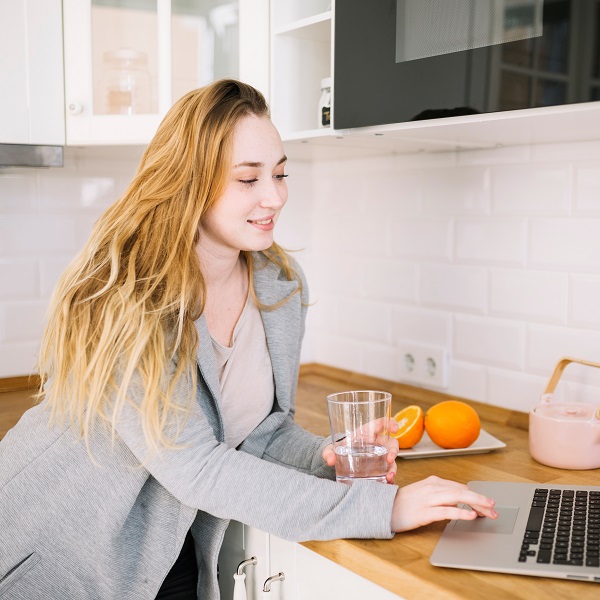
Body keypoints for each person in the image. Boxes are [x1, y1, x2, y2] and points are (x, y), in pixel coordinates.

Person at [0, 79, 497, 600]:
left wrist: (329, 457)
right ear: (189, 182)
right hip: (58, 548)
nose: (275, 196)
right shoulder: (130, 294)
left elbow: (260, 430)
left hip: (168, 545)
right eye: (248, 179)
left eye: (280, 173)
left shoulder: (279, 283)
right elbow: (194, 464)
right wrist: (384, 510)